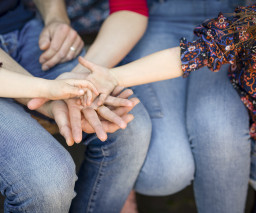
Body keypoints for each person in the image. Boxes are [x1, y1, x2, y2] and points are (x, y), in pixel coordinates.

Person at [0, 0, 151, 212]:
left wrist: (56, 18)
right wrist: (45, 96)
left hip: (27, 29)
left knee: (129, 127)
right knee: (47, 178)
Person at [80, 3, 256, 213]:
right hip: (167, 14)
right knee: (165, 171)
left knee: (220, 133)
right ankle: (123, 184)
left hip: (233, 16)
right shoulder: (245, 26)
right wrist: (112, 77)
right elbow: (194, 54)